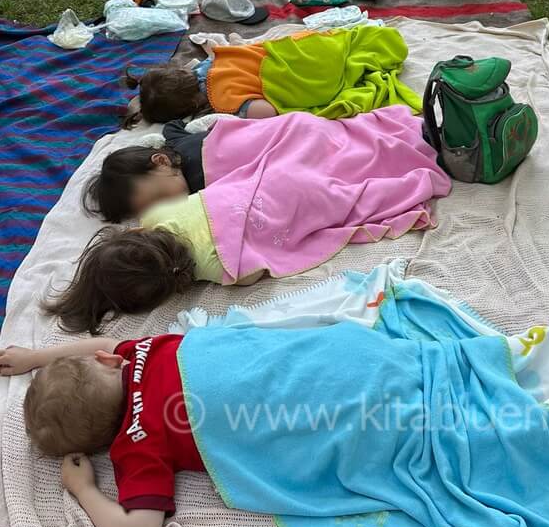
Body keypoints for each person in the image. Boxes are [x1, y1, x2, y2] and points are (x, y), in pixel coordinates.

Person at [0, 281, 549, 527]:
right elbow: (85, 353)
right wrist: (34, 358)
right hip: (350, 356)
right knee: (385, 376)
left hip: (325, 413)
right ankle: (514, 378)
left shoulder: (136, 445)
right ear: (107, 360)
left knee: (404, 431)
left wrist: (83, 490)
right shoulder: (142, 351)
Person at [44, 107, 450, 329]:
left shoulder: (197, 170)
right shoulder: (185, 193)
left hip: (295, 142)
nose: (150, 213)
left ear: (160, 162)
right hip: (285, 175)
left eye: (150, 200)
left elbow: (267, 138)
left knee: (338, 160)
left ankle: (407, 160)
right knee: (341, 177)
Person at [124, 26, 422, 127]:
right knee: (337, 47)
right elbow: (226, 51)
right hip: (303, 51)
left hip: (300, 74)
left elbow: (269, 113)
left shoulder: (226, 101)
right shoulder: (209, 64)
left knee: (327, 70)